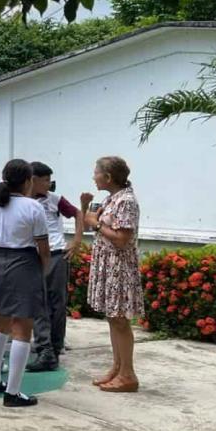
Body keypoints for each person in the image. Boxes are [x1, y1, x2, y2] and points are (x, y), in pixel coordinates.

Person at [0, 159, 49, 408]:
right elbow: (43, 247)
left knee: (1, 322)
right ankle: (13, 392)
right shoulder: (33, 207)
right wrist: (42, 269)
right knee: (23, 327)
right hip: (24, 262)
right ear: (28, 180)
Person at [82, 156, 143, 393]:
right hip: (109, 266)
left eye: (96, 172)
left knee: (120, 320)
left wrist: (96, 224)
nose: (93, 177)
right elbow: (90, 222)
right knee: (113, 318)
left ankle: (128, 374)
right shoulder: (111, 199)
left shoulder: (125, 201)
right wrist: (88, 214)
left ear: (108, 177)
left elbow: (122, 238)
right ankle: (118, 367)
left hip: (119, 268)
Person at [28, 162, 84, 372]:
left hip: (56, 254)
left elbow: (78, 214)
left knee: (57, 303)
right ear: (32, 180)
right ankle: (44, 347)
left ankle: (55, 346)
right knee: (37, 302)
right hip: (31, 256)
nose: (49, 184)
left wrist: (76, 240)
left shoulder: (54, 200)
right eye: (45, 180)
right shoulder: (23, 201)